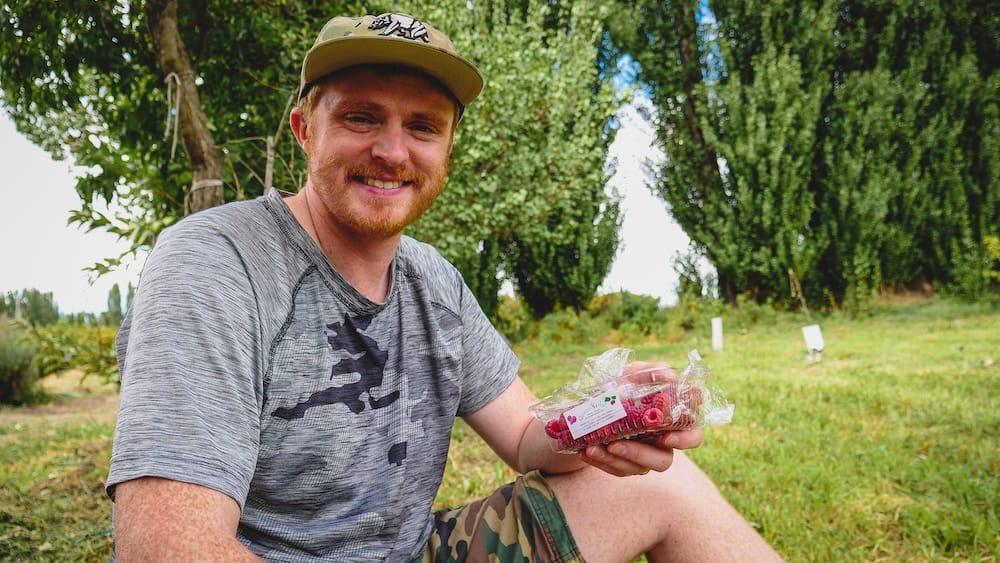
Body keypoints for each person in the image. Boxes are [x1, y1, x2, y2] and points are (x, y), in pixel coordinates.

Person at [106, 11, 783, 563]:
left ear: (448, 150)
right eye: (362, 117)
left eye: (423, 126)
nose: (393, 151)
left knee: (668, 490)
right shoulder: (213, 263)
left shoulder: (432, 281)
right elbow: (166, 549)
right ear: (305, 130)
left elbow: (523, 433)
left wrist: (603, 418)